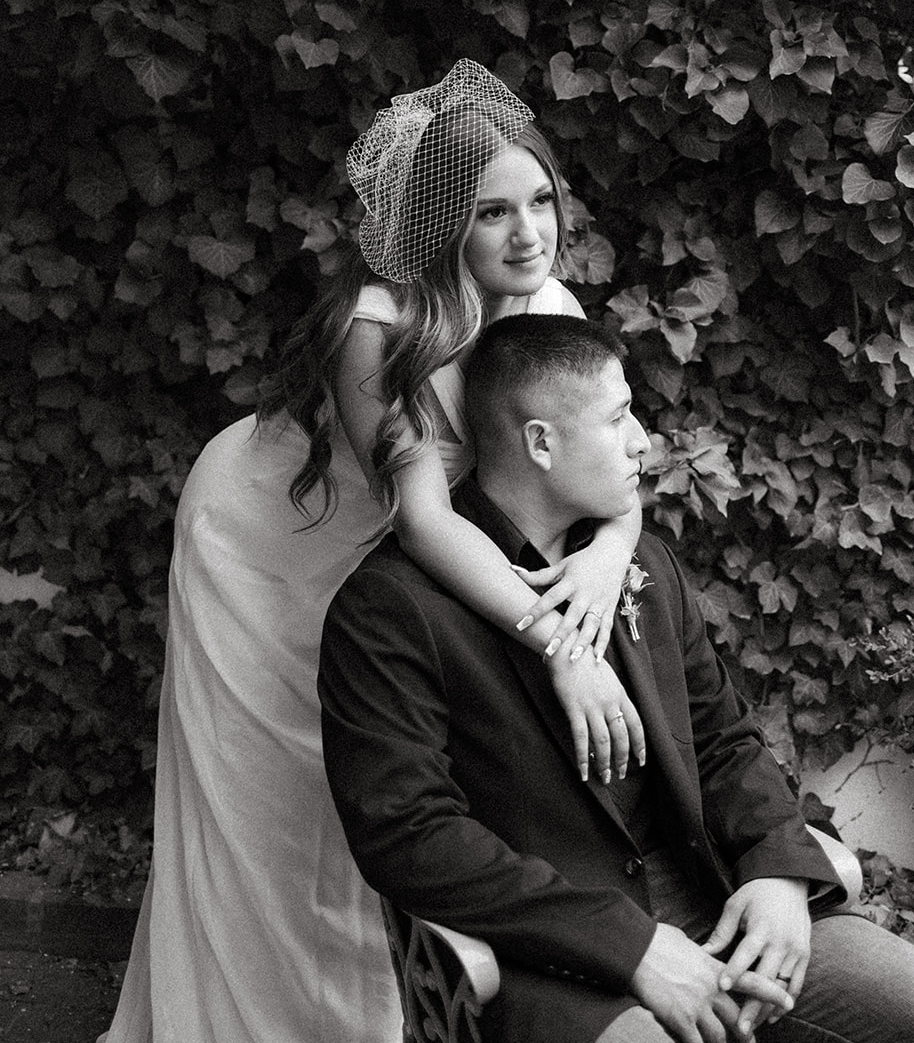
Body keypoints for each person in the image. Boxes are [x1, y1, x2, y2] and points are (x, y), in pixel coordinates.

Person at [101, 61, 644, 1043]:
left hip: (402, 578)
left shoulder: (552, 311)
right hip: (265, 551)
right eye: (491, 212)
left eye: (540, 201)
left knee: (385, 804)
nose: (528, 233)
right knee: (268, 815)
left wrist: (609, 551)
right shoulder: (378, 323)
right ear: (443, 222)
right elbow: (424, 517)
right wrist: (562, 645)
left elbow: (610, 464)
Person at [319, 315, 914, 1043]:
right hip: (551, 957)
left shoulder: (644, 569)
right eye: (617, 418)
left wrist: (777, 876)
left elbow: (724, 740)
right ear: (540, 442)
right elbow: (407, 833)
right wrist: (628, 946)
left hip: (714, 900)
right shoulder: (388, 608)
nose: (644, 440)